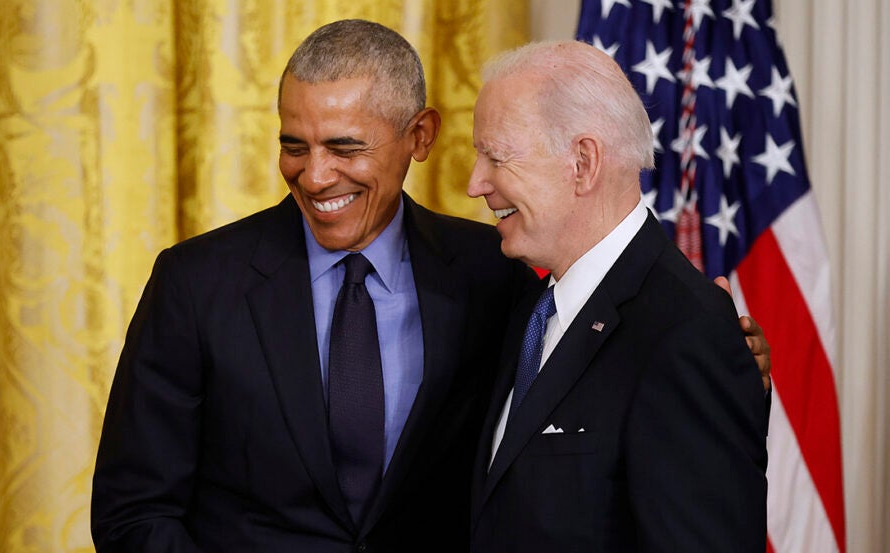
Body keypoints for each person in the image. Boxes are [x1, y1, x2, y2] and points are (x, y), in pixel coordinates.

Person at [91, 20, 769, 553]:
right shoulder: (195, 283)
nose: (314, 174)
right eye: (295, 144)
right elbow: (132, 511)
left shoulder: (493, 276)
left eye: (346, 147)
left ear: (418, 136)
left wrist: (727, 361)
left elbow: (622, 400)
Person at [467, 41, 768, 552]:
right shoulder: (531, 308)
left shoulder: (687, 332)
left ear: (583, 162)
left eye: (496, 157)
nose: (475, 183)